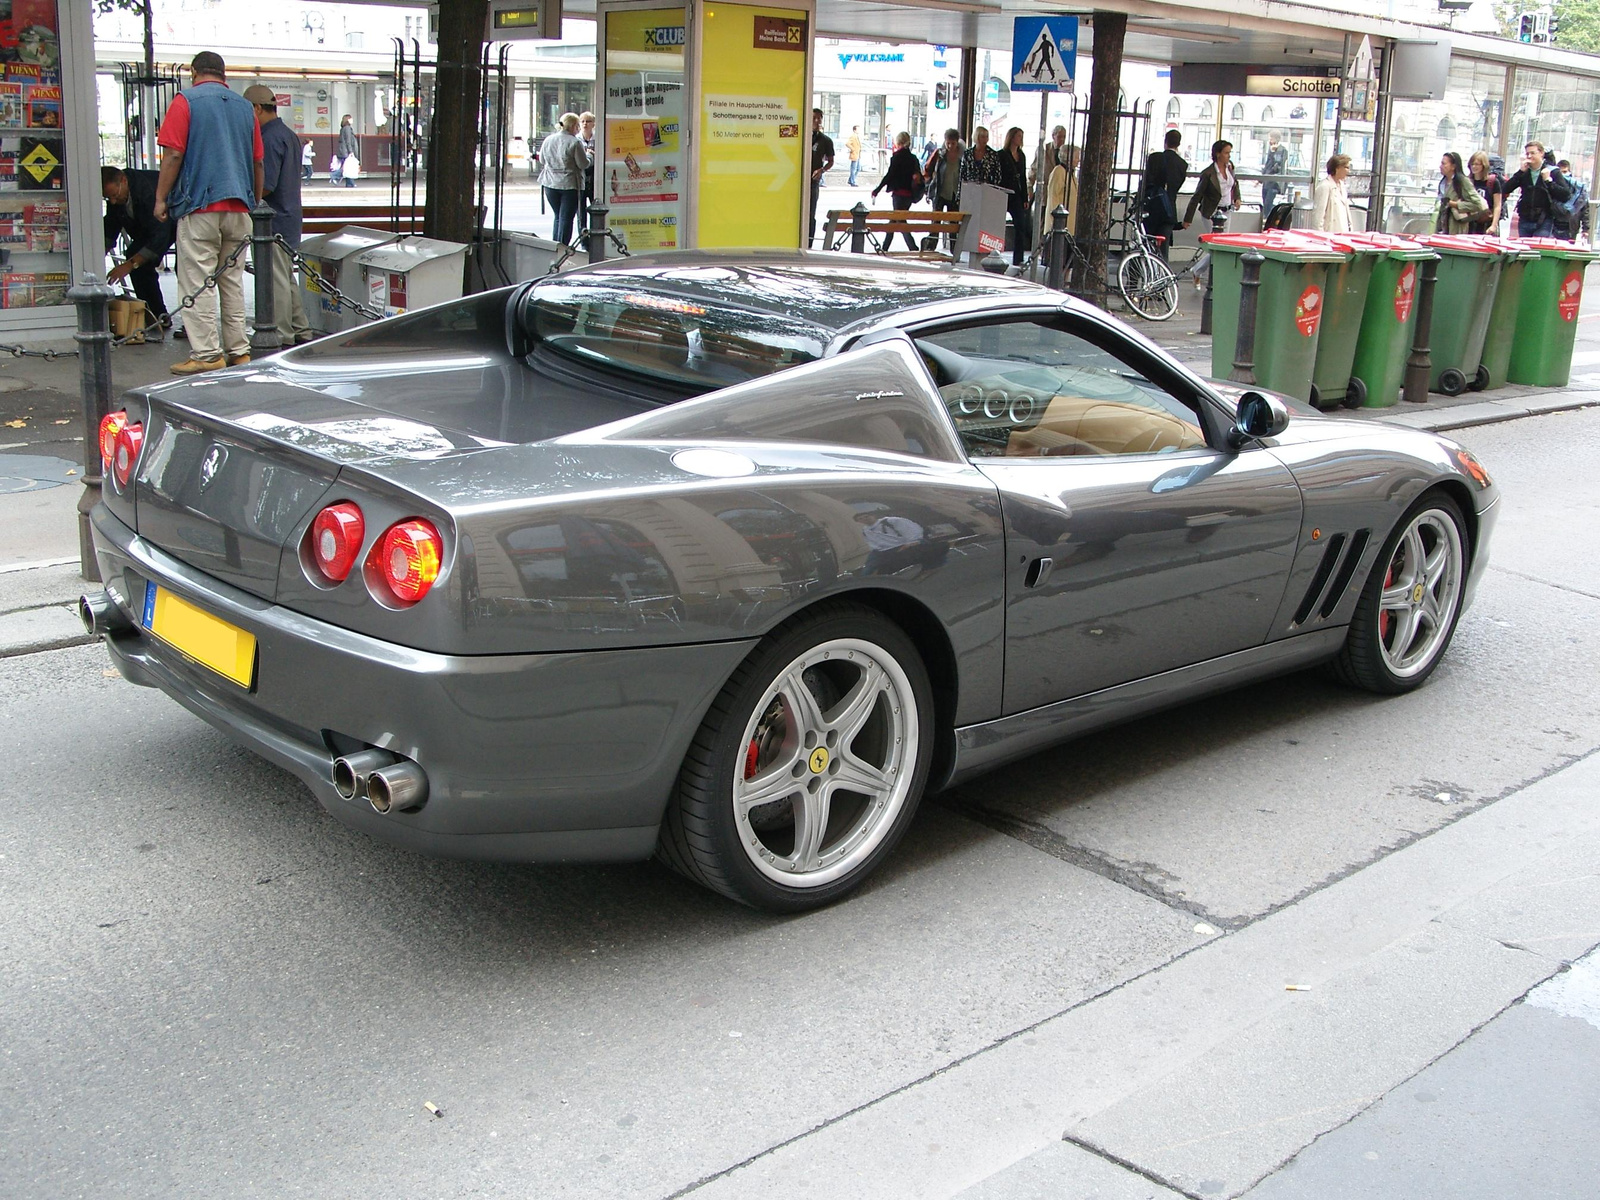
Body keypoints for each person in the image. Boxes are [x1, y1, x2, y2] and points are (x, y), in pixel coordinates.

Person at [153, 51, 264, 375]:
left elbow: (173, 155)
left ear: (194, 72)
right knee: (231, 281)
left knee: (197, 281)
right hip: (240, 206)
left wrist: (161, 199)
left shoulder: (185, 101)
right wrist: (254, 201)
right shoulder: (246, 107)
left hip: (199, 205)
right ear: (223, 74)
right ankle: (239, 351)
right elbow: (258, 161)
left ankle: (206, 354)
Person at [244, 84, 312, 345]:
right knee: (286, 277)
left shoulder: (269, 138)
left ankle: (282, 334)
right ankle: (299, 328)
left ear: (257, 109)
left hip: (273, 220)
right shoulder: (287, 134)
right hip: (290, 216)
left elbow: (266, 184)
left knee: (276, 280)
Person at [101, 165, 176, 337]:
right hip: (150, 229)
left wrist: (128, 266)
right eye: (107, 198)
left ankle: (190, 324)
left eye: (114, 196)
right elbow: (111, 226)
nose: (112, 201)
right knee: (134, 256)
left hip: (175, 223)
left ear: (124, 181)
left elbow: (159, 235)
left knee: (185, 269)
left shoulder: (149, 191)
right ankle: (155, 315)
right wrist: (98, 257)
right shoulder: (118, 195)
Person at [1501, 141, 1571, 239]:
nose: (1529, 156)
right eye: (1527, 153)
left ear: (1541, 153)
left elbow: (1566, 195)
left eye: (1533, 153)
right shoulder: (1524, 172)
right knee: (1524, 248)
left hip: (1544, 218)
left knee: (1538, 246)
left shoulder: (1552, 171)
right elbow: (1505, 189)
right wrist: (1520, 172)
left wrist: (1548, 181)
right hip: (1525, 217)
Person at [537, 112, 589, 246]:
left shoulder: (548, 139)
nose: (578, 128)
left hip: (550, 184)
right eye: (577, 125)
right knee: (566, 218)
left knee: (558, 217)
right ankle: (563, 247)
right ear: (572, 126)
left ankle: (555, 246)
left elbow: (542, 159)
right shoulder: (575, 142)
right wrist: (590, 156)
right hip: (569, 184)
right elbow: (583, 164)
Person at [871, 132, 923, 251]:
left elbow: (889, 175)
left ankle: (913, 248)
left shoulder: (897, 157)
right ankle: (885, 247)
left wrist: (877, 190)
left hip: (898, 195)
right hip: (909, 195)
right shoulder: (913, 158)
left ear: (898, 143)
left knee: (900, 221)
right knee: (895, 220)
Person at [1142, 128, 1187, 259]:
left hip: (1151, 208)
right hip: (1168, 210)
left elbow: (1146, 182)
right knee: (1163, 249)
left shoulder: (1155, 158)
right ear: (1178, 143)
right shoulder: (1182, 164)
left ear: (1165, 141)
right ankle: (1162, 276)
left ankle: (1135, 277)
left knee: (1144, 245)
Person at [1182, 140, 1240, 231]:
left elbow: (1235, 183)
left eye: (1230, 152)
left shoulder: (1230, 167)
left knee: (1224, 240)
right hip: (1212, 212)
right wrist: (1188, 219)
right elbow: (1197, 196)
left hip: (1227, 211)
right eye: (1226, 153)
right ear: (1218, 154)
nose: (1229, 155)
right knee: (1214, 239)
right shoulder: (1208, 173)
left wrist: (1237, 198)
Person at [924, 128, 964, 250]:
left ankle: (954, 249)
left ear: (957, 142)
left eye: (953, 143)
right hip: (939, 192)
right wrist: (928, 188)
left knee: (954, 223)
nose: (950, 146)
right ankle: (931, 247)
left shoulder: (962, 157)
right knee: (936, 221)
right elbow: (928, 169)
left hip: (954, 193)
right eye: (948, 143)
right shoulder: (939, 154)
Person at [998, 126, 1032, 271]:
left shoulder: (1021, 155)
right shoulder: (1001, 154)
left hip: (1017, 194)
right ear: (1011, 137)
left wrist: (1025, 197)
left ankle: (1018, 257)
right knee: (998, 225)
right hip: (1003, 192)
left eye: (1021, 136)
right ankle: (996, 253)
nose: (1020, 139)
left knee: (1020, 224)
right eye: (1018, 136)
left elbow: (1023, 177)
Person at [1436, 151, 1486, 234]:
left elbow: (1477, 204)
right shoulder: (1442, 182)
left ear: (1453, 166)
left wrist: (1455, 204)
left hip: (1456, 227)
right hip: (1442, 226)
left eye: (1444, 164)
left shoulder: (1462, 181)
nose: (1440, 167)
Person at [809, 109, 835, 247]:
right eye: (814, 118)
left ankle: (809, 244)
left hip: (813, 182)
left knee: (810, 215)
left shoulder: (825, 140)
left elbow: (831, 161)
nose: (817, 121)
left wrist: (822, 170)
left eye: (819, 118)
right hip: (796, 181)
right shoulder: (802, 135)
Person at [1310, 154, 1354, 232]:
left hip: (1343, 234)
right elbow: (1318, 218)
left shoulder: (1342, 186)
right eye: (1346, 167)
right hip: (1330, 236)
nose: (1348, 171)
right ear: (1337, 168)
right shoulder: (1324, 186)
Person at [1466, 150, 1502, 234]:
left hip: (1486, 223)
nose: (1474, 166)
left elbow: (1497, 205)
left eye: (1477, 164)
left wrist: (1494, 225)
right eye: (1472, 164)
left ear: (1484, 165)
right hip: (1470, 223)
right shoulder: (1467, 182)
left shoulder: (1493, 182)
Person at [1555, 158, 1589, 242]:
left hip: (1571, 226)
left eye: (1565, 172)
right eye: (1561, 172)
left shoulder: (1578, 188)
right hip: (1554, 225)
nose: (1563, 175)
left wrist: (1585, 229)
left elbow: (1585, 209)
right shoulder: (1554, 186)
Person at [1031, 124, 1067, 193]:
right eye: (1059, 137)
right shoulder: (1044, 150)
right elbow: (1034, 169)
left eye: (1064, 137)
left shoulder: (1067, 152)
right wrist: (1030, 188)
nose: (1062, 139)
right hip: (1045, 191)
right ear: (1053, 136)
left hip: (1060, 192)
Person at [1260, 133, 1287, 214]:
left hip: (1274, 182)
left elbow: (1277, 166)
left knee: (1268, 203)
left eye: (1271, 139)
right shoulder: (1270, 150)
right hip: (1266, 181)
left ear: (1276, 139)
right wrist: (1260, 179)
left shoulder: (1282, 150)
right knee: (1265, 202)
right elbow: (1267, 165)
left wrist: (1273, 153)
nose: (1269, 141)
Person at [336, 113, 358, 187]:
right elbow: (348, 141)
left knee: (347, 167)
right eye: (351, 118)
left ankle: (349, 183)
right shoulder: (348, 128)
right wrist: (351, 151)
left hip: (343, 150)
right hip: (346, 151)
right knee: (349, 167)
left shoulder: (343, 128)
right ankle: (350, 182)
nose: (352, 120)